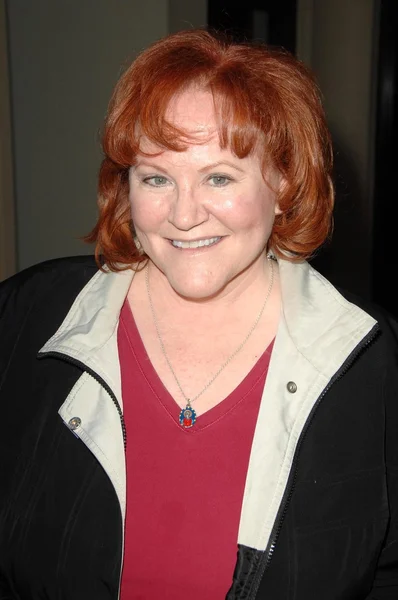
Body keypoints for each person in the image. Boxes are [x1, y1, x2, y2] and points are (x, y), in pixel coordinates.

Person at [0, 27, 397, 600]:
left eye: (218, 177)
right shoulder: (28, 319)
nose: (184, 215)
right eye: (156, 177)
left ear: (284, 182)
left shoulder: (367, 358)